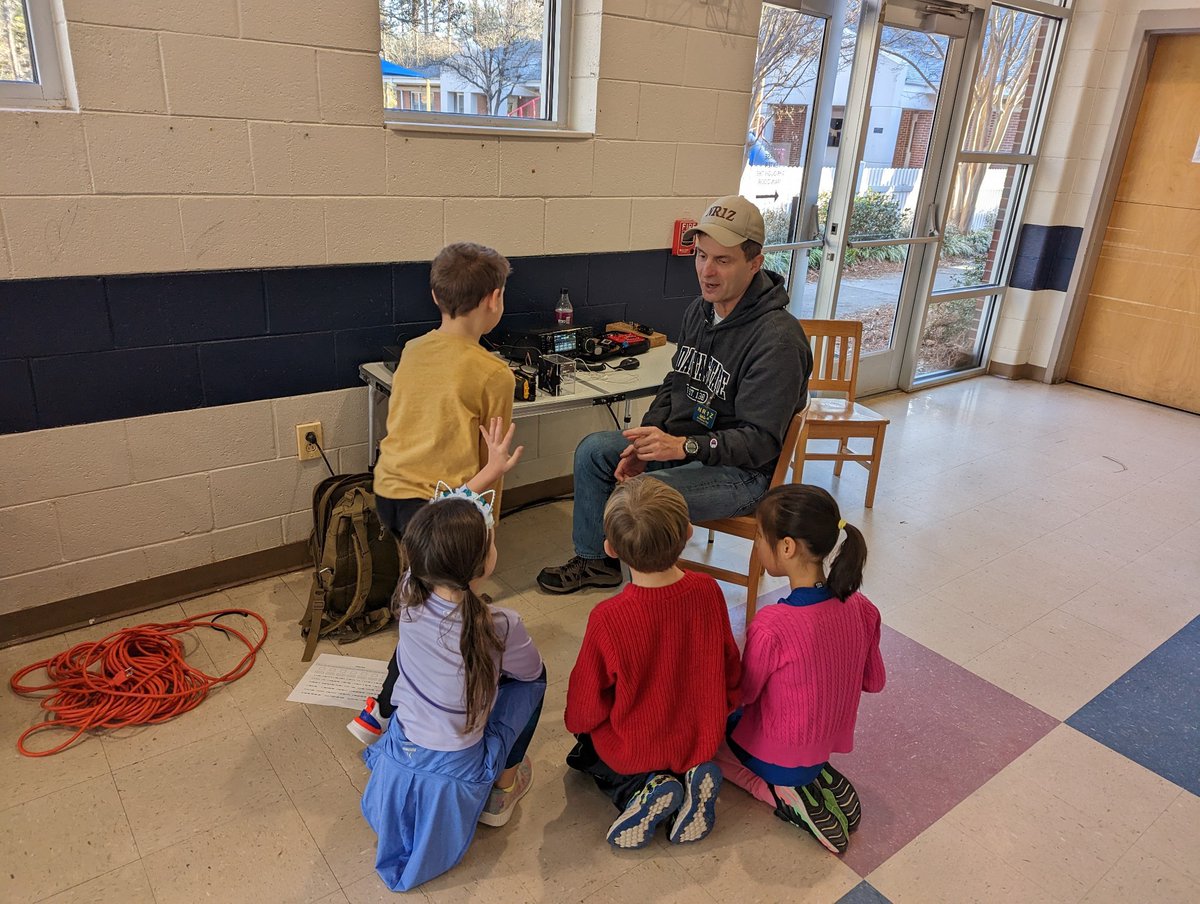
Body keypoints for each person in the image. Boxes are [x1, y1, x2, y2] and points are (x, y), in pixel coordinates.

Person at [537, 195, 812, 594]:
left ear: (755, 262)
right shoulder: (699, 311)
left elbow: (760, 442)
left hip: (743, 475)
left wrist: (683, 447)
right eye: (701, 256)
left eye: (723, 260)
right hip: (685, 447)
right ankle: (597, 562)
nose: (707, 271)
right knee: (594, 450)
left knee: (643, 496)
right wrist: (645, 443)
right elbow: (674, 384)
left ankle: (655, 595)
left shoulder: (778, 341)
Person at [350, 241, 516, 742]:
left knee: (422, 599)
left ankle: (393, 702)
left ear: (434, 295)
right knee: (446, 611)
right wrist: (486, 537)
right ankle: (389, 708)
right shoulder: (495, 373)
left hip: (391, 494)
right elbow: (496, 465)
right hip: (440, 507)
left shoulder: (414, 350)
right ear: (494, 299)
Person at [359, 481, 547, 892]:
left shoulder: (407, 591)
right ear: (483, 565)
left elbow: (437, 522)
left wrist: (489, 472)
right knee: (536, 680)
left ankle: (379, 714)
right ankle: (505, 787)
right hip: (459, 767)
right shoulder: (501, 623)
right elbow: (529, 673)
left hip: (403, 747)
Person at [565, 476, 742, 849]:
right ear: (689, 532)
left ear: (611, 549)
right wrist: (726, 704)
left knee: (586, 751)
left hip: (637, 746)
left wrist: (580, 726)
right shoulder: (708, 590)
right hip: (700, 735)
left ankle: (641, 790)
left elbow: (586, 701)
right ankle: (691, 777)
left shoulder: (609, 617)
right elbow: (729, 661)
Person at [714, 484, 885, 854]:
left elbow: (744, 695)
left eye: (760, 536)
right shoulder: (863, 607)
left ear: (787, 547)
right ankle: (812, 774)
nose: (757, 545)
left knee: (711, 745)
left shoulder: (774, 624)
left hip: (775, 753)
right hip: (823, 743)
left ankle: (780, 794)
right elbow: (875, 680)